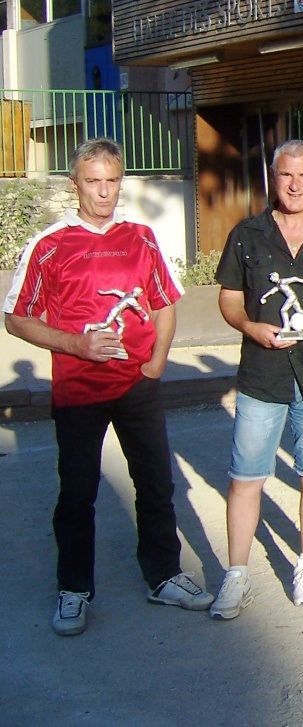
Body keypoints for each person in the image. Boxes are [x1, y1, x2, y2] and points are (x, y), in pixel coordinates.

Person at [4, 137, 213, 636]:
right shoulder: (49, 244)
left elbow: (163, 304)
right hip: (79, 391)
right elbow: (16, 318)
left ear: (121, 183)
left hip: (137, 385)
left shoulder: (141, 237)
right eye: (93, 181)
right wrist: (77, 344)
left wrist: (156, 363)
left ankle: (163, 575)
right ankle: (74, 590)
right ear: (74, 184)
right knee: (78, 493)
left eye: (112, 181)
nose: (103, 191)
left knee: (156, 483)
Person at [208, 140, 303, 619]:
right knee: (246, 477)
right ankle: (236, 574)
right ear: (274, 177)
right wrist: (250, 327)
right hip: (261, 375)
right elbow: (229, 298)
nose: (295, 185)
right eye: (286, 175)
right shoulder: (247, 234)